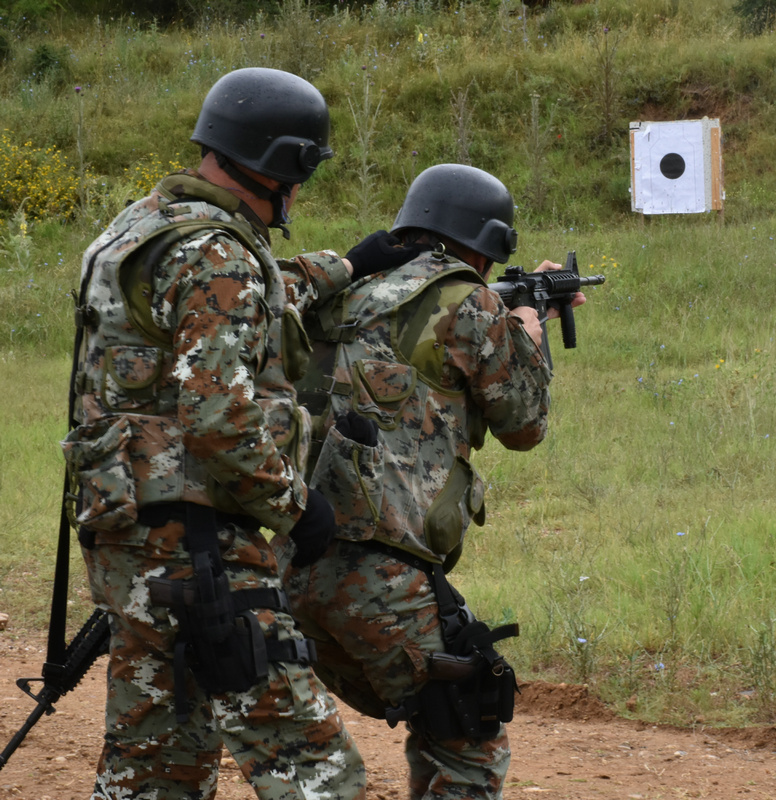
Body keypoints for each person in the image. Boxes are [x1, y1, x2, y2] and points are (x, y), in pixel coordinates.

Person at [61, 67, 407, 799]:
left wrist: (350, 263)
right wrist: (294, 505)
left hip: (130, 537)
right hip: (198, 551)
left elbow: (251, 295)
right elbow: (218, 419)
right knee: (314, 767)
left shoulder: (146, 224)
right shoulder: (216, 253)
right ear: (285, 163)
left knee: (157, 765)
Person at [277, 163, 585, 799]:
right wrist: (527, 326)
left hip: (290, 562)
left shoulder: (338, 293)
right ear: (485, 242)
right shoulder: (471, 302)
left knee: (394, 716)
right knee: (466, 715)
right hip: (378, 571)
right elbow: (524, 425)